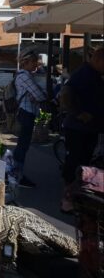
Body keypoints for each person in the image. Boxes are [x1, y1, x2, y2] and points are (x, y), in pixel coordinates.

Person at [60, 47, 104, 212]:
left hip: (89, 129)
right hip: (79, 129)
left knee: (84, 163)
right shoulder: (84, 73)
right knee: (76, 163)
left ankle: (79, 198)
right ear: (99, 60)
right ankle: (68, 199)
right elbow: (64, 94)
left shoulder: (93, 74)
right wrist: (79, 114)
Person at [13, 49, 48, 188]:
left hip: (27, 112)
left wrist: (38, 95)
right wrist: (39, 95)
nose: (37, 65)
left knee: (23, 145)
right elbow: (40, 95)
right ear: (26, 62)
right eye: (34, 62)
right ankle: (17, 175)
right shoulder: (25, 76)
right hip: (26, 112)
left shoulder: (26, 75)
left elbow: (38, 94)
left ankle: (17, 173)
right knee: (23, 145)